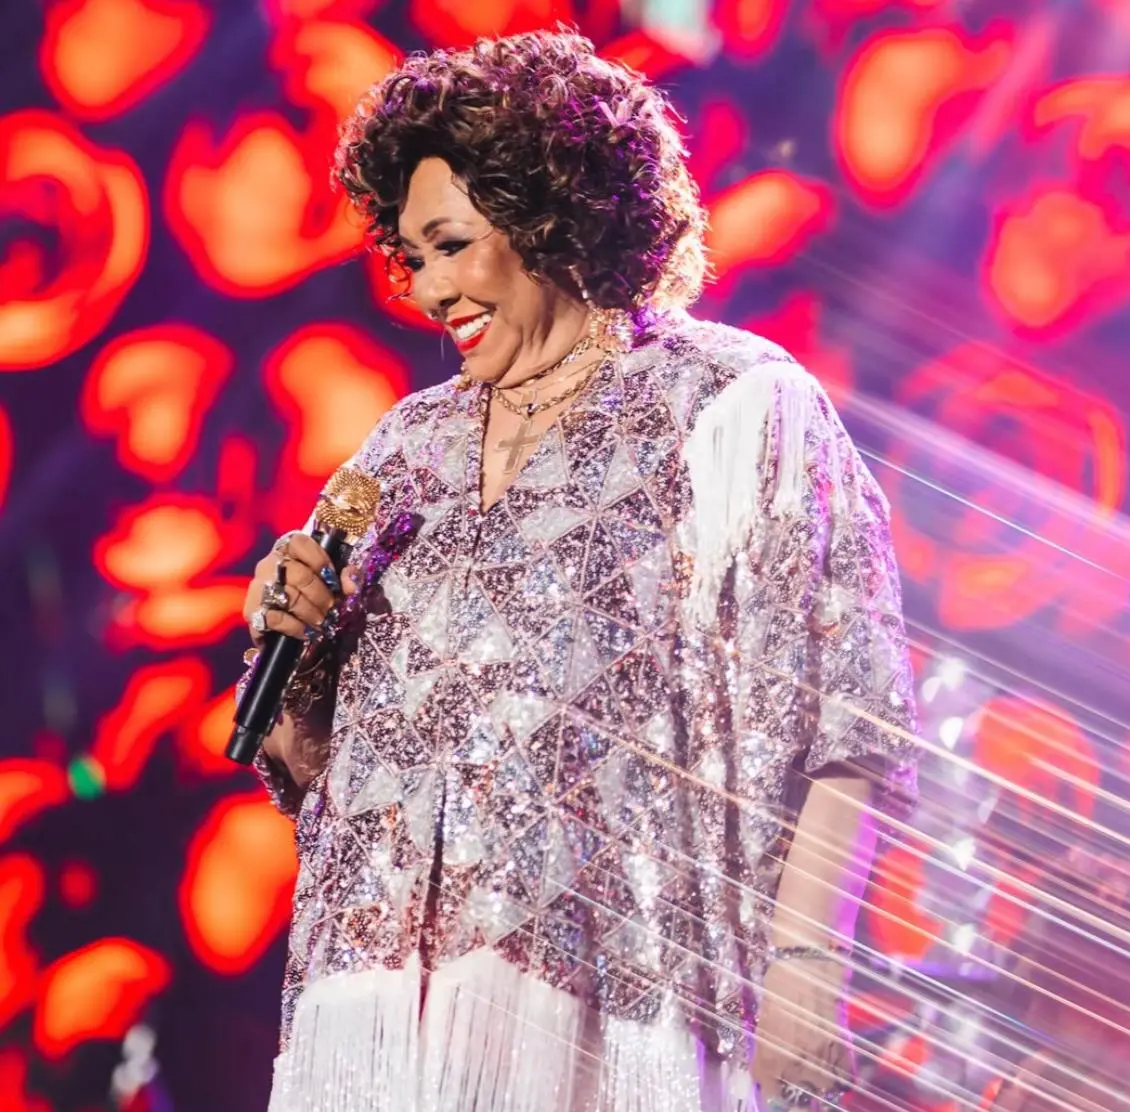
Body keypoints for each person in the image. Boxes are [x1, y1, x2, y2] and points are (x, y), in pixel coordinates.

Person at [240, 28, 918, 1112]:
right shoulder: (401, 452)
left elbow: (847, 720)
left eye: (454, 244)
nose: (426, 289)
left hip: (608, 1021)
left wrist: (806, 971)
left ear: (550, 216)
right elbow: (333, 774)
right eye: (411, 257)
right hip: (369, 1028)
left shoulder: (728, 404)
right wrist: (296, 644)